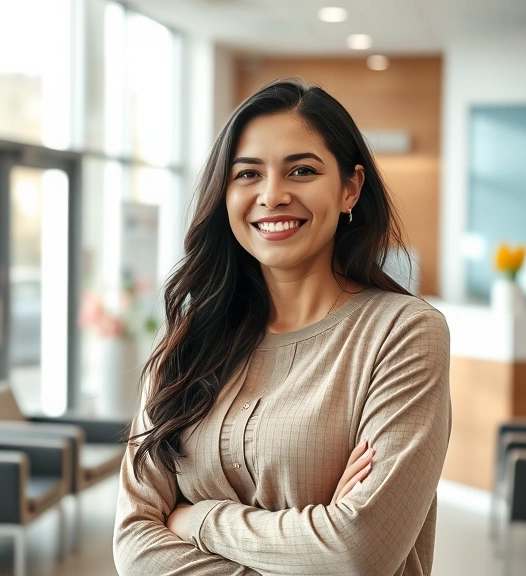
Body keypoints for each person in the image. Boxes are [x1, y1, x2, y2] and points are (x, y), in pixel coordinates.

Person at [113, 79, 451, 576]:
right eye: (248, 174)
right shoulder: (187, 345)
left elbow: (358, 552)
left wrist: (200, 519)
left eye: (302, 170)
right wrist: (311, 542)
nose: (273, 195)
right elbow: (135, 546)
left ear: (350, 188)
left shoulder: (403, 334)